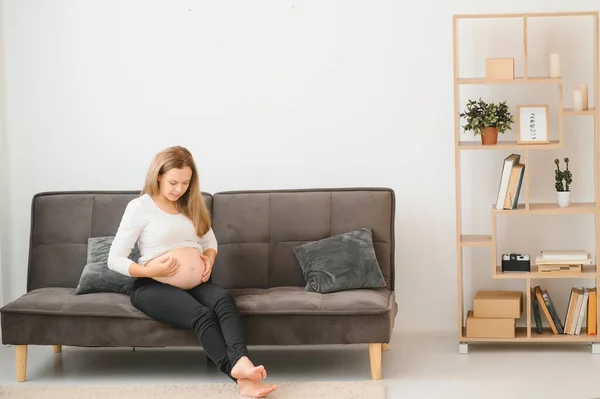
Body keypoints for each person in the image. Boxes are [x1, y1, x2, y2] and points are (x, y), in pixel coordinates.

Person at [107, 145, 277, 398]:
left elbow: (210, 242)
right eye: (173, 182)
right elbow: (114, 259)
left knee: (224, 300)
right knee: (202, 315)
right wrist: (147, 269)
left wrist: (209, 258)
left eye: (185, 183)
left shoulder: (191, 205)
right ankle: (237, 373)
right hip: (153, 285)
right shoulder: (140, 207)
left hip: (195, 284)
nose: (179, 189)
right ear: (158, 176)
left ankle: (241, 362)